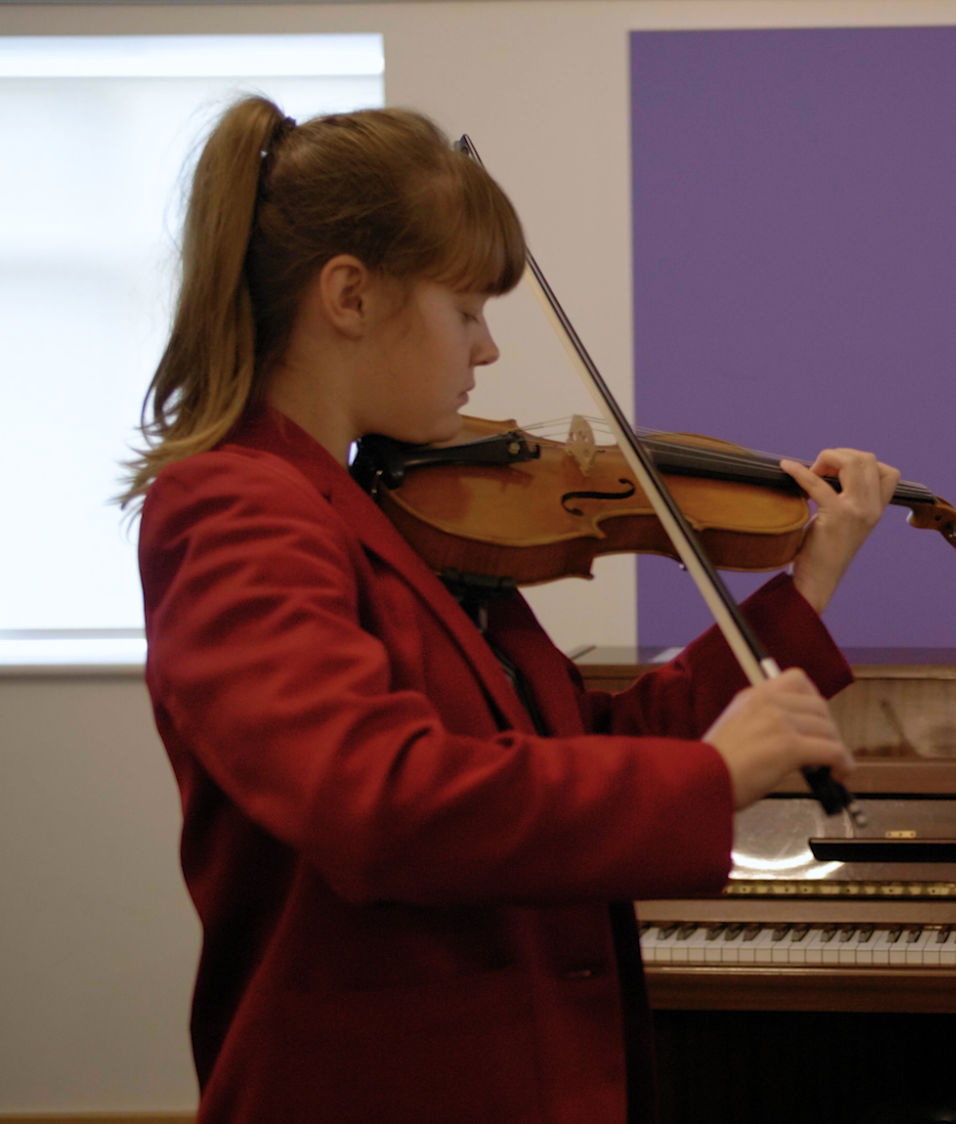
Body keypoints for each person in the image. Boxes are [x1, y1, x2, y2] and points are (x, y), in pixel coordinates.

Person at [123, 97, 898, 1123]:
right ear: (349, 295)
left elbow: (577, 743)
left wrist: (806, 585)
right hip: (388, 1087)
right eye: (466, 311)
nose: (486, 351)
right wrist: (708, 777)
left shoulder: (389, 510)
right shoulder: (232, 510)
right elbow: (381, 799)